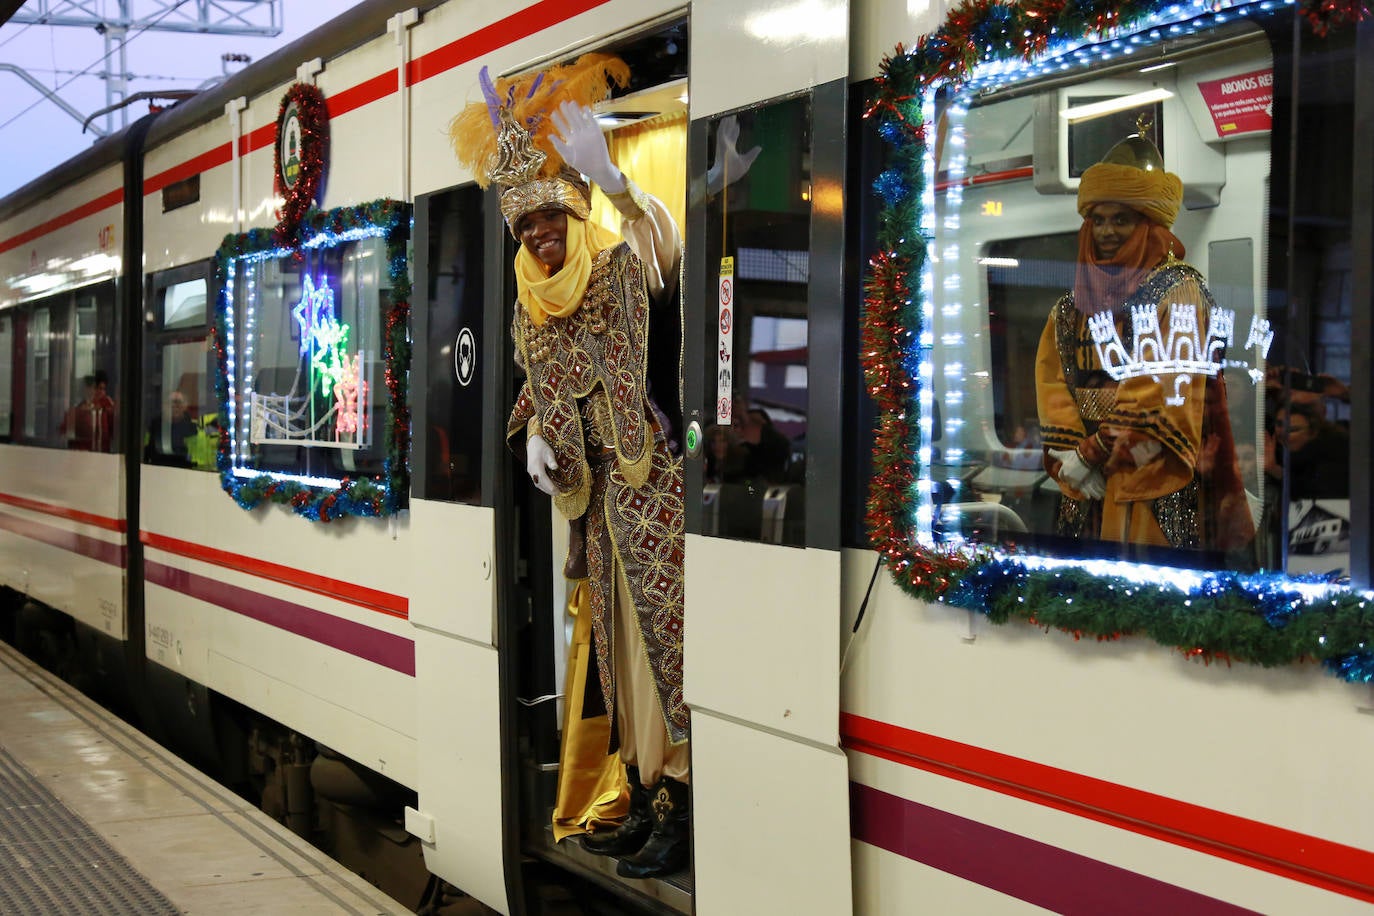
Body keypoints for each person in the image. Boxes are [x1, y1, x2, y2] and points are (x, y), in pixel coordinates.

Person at [450, 56, 688, 878]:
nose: (543, 238)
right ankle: (643, 793)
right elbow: (535, 386)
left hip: (651, 496)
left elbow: (662, 248)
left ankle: (685, 801)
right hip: (592, 511)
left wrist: (612, 178)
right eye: (528, 229)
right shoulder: (527, 306)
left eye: (553, 220)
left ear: (575, 212)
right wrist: (530, 439)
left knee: (669, 654)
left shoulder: (619, 266)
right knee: (618, 660)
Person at [1034, 125, 1253, 554]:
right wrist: (1070, 460)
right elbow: (1052, 384)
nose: (1106, 231)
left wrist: (1093, 453)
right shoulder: (1068, 306)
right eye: (1098, 220)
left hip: (1151, 474)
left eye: (1121, 219)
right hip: (1084, 480)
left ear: (1148, 224)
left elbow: (1161, 390)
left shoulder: (1178, 291)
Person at [1264, 402, 1349, 500]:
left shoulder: (1331, 455)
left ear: (1312, 433)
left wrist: (1275, 470)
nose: (1282, 433)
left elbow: (1312, 492)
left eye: (1292, 429)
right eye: (1279, 424)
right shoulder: (1273, 449)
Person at [61, 371, 116, 452]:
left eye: (103, 389)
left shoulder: (107, 408)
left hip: (104, 456)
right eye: (98, 388)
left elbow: (114, 432)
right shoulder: (79, 410)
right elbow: (66, 434)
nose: (102, 393)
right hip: (84, 455)